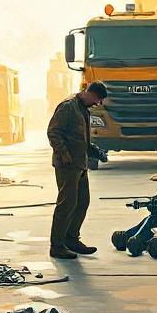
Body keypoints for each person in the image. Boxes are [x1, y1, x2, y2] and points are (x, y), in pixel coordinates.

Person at [47, 81, 109, 259]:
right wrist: (64, 154)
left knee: (82, 202)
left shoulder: (82, 109)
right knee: (66, 206)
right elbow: (53, 132)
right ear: (89, 92)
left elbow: (79, 138)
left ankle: (71, 239)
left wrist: (93, 151)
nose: (98, 104)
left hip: (80, 165)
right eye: (98, 99)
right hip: (67, 166)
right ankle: (57, 246)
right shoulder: (68, 107)